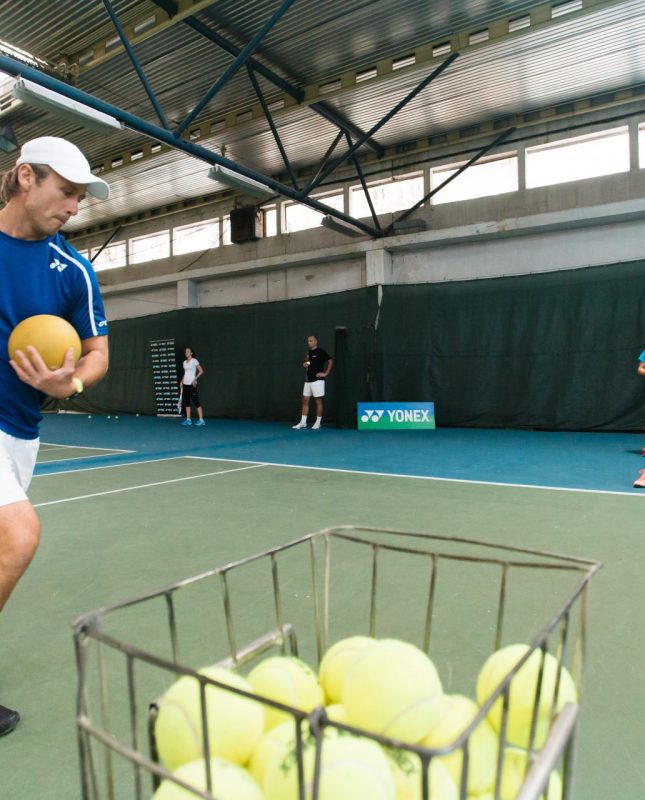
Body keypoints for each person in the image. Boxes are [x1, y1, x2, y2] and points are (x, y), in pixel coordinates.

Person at [0, 136, 110, 736]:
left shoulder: (74, 272)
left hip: (20, 429)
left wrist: (72, 385)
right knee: (19, 535)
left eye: (79, 198)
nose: (72, 206)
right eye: (64, 191)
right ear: (25, 178)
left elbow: (98, 354)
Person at [292, 335, 333, 430]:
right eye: (308, 341)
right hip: (308, 380)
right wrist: (306, 364)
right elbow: (309, 362)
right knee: (305, 400)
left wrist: (326, 373)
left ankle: (318, 423)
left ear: (315, 342)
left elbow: (330, 361)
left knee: (318, 401)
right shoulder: (308, 352)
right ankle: (303, 422)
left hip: (318, 381)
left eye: (311, 341)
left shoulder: (320, 351)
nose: (309, 342)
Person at [179, 346, 205, 426]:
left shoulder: (194, 361)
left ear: (191, 353)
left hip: (192, 384)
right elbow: (185, 373)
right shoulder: (184, 362)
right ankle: (188, 420)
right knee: (186, 402)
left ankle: (201, 420)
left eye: (188, 351)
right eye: (185, 351)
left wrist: (195, 379)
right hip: (185, 384)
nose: (186, 353)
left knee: (196, 401)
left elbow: (201, 371)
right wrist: (181, 381)